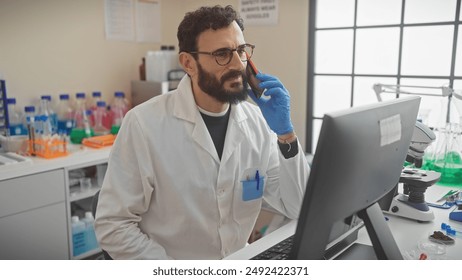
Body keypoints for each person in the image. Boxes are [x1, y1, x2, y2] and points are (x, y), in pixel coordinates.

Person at [94, 5, 310, 260]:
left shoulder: (257, 123)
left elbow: (297, 206)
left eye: (241, 51)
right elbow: (113, 225)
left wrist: (286, 134)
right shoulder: (144, 124)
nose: (237, 64)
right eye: (222, 54)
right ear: (188, 63)